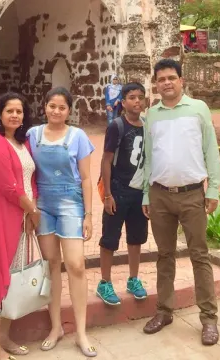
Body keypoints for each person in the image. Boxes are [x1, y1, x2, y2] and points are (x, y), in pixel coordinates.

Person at [140, 59, 220, 347]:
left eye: (171, 77)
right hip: (159, 194)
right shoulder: (151, 115)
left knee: (199, 255)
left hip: (192, 194)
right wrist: (146, 194)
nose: (166, 83)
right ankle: (164, 311)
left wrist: (212, 189)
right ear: (156, 83)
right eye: (161, 79)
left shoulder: (198, 109)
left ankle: (209, 318)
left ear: (181, 80)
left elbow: (210, 149)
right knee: (164, 255)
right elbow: (148, 157)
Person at [27, 88, 98, 358]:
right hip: (43, 205)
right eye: (52, 106)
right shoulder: (33, 136)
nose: (56, 111)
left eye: (62, 107)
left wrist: (89, 215)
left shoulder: (78, 136)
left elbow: (87, 178)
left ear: (69, 110)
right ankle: (55, 327)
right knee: (51, 266)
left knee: (76, 265)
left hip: (71, 204)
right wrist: (28, 210)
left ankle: (80, 331)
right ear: (44, 107)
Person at [0, 93, 41, 360]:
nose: (15, 115)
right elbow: (8, 187)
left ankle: (3, 337)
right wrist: (33, 211)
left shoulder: (23, 144)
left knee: (11, 278)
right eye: (9, 111)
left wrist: (29, 212)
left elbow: (29, 179)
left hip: (20, 217)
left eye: (19, 111)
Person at [96, 82, 149, 306]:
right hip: (118, 189)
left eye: (140, 97)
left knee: (136, 238)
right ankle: (104, 282)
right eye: (131, 97)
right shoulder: (117, 126)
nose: (137, 101)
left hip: (139, 191)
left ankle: (133, 278)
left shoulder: (147, 126)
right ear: (123, 102)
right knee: (110, 238)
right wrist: (108, 194)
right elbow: (106, 160)